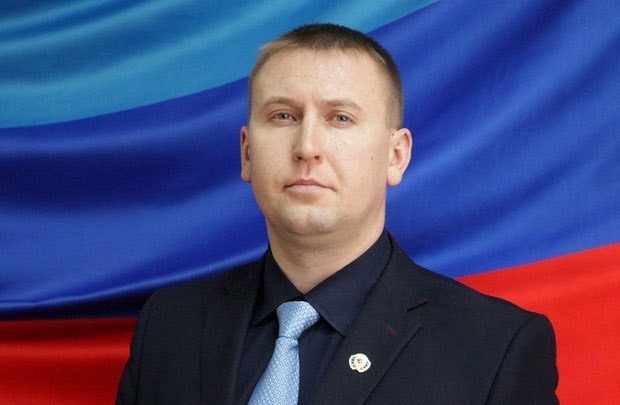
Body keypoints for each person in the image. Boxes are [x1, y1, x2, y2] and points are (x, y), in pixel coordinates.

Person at [117, 24, 558, 404]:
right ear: (247, 153)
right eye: (283, 116)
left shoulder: (495, 350)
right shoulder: (170, 325)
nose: (307, 147)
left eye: (340, 118)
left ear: (396, 156)